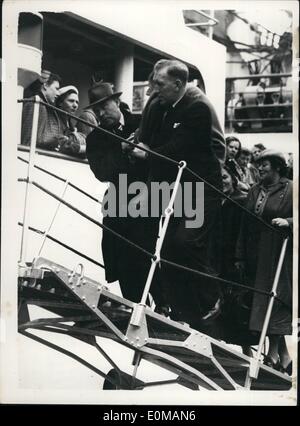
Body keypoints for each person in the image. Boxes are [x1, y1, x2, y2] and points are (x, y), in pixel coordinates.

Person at [131, 59, 224, 326]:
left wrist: (146, 153)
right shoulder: (166, 106)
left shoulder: (197, 108)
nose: (153, 89)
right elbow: (154, 138)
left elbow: (178, 148)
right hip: (180, 187)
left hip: (204, 186)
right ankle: (185, 313)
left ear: (178, 84)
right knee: (168, 250)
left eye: (159, 84)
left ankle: (213, 298)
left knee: (185, 242)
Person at [85, 82, 165, 307]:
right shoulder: (96, 139)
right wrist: (121, 149)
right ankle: (135, 303)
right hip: (119, 198)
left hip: (148, 196)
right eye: (96, 110)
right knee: (116, 251)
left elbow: (161, 155)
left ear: (117, 102)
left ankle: (161, 300)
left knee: (142, 249)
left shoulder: (141, 124)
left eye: (104, 107)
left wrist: (143, 153)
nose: (100, 114)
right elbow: (101, 173)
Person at [235, 149, 293, 374]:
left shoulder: (291, 188)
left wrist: (289, 221)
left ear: (277, 167)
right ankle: (282, 354)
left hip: (280, 253)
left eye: (264, 165)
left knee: (276, 299)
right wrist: (240, 255)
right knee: (262, 300)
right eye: (257, 166)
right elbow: (244, 223)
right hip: (256, 254)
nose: (259, 169)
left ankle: (274, 353)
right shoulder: (254, 190)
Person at [21, 72, 63, 150]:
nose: (58, 93)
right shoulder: (36, 103)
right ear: (45, 85)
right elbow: (27, 141)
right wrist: (54, 142)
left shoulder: (42, 104)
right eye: (56, 89)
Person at [55, 85, 86, 157]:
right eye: (71, 101)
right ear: (60, 103)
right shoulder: (55, 120)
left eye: (77, 102)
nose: (75, 105)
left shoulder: (69, 124)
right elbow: (58, 142)